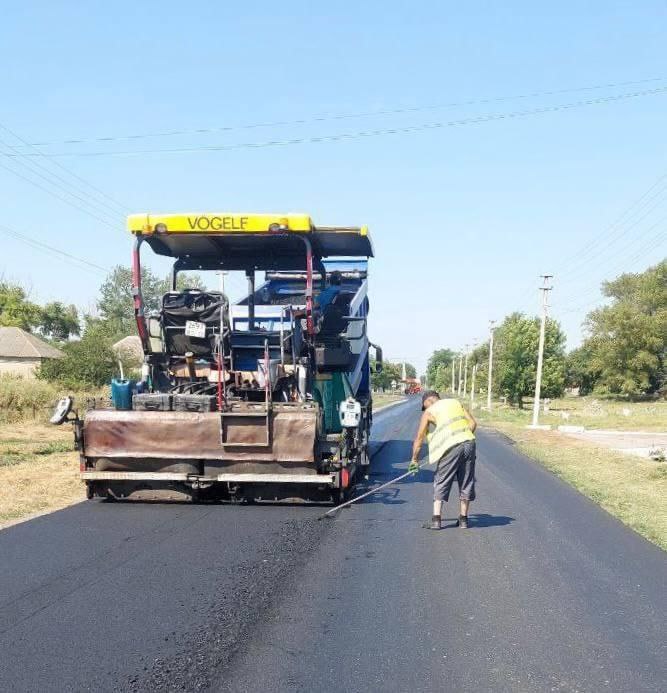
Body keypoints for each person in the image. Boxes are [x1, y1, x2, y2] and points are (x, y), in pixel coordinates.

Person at [409, 390, 477, 530]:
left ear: (428, 401)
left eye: (425, 405)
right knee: (466, 481)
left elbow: (419, 438)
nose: (425, 408)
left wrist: (414, 460)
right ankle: (463, 520)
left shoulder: (428, 412)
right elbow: (473, 423)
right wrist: (461, 437)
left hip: (451, 448)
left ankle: (436, 520)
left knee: (441, 480)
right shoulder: (455, 403)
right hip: (469, 443)